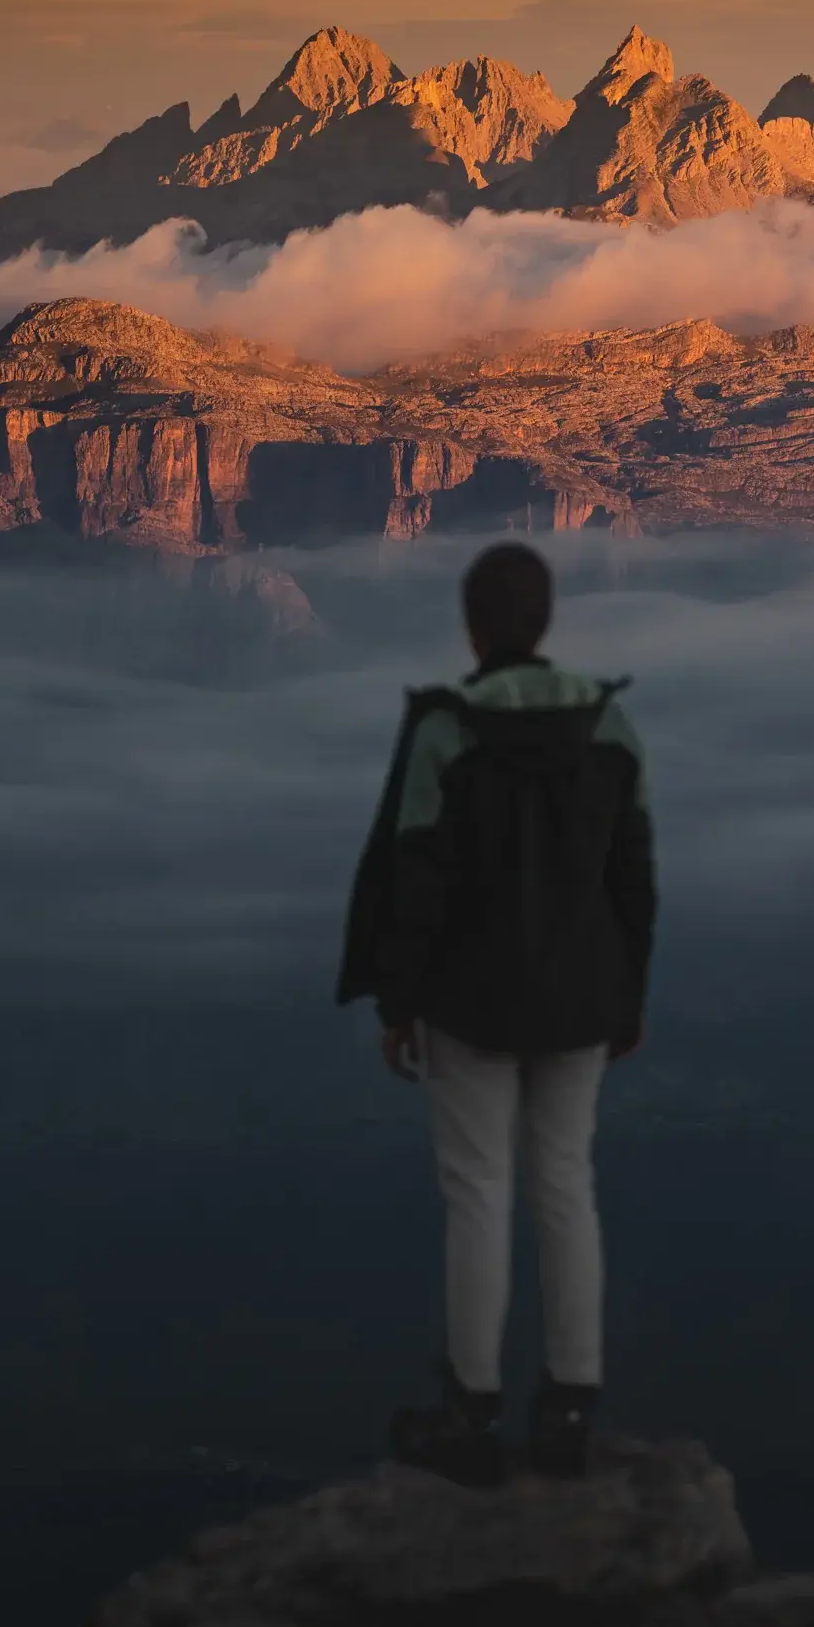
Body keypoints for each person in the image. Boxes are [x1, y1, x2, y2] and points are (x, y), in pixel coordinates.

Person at [338, 541, 656, 1489]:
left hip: (468, 1001)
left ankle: (469, 1409)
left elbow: (413, 884)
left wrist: (397, 1003)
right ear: (547, 622)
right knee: (566, 1187)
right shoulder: (610, 727)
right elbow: (632, 879)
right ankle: (570, 1401)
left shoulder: (449, 735)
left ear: (474, 628)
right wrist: (629, 993)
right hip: (583, 998)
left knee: (476, 1194)